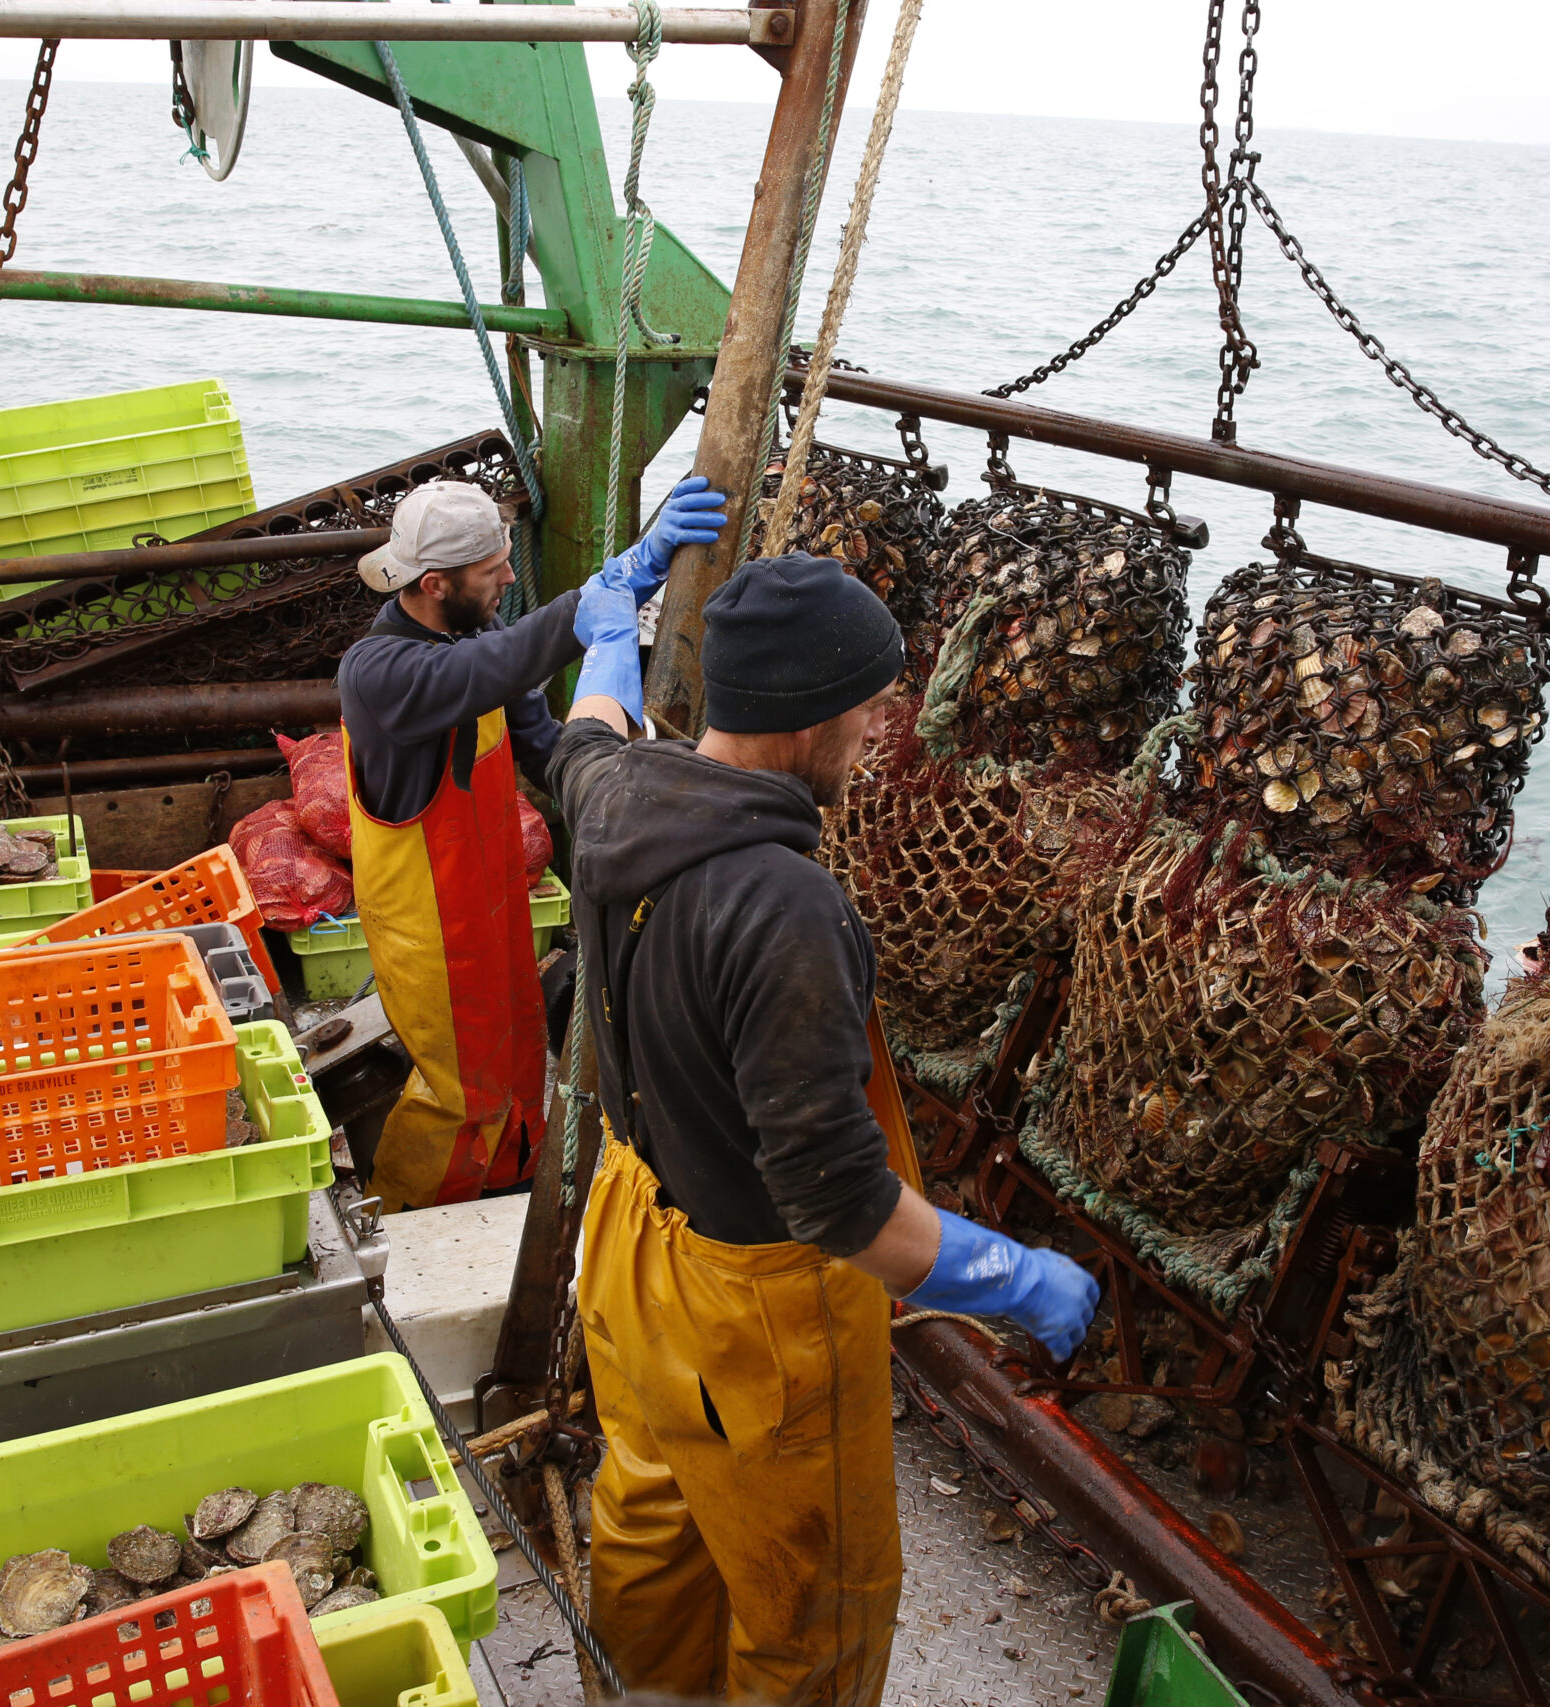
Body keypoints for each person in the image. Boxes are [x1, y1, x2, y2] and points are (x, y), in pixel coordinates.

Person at [548, 549, 1101, 1705]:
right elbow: (839, 1203)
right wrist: (1014, 1276)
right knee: (815, 1597)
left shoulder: (614, 792)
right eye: (870, 703)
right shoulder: (783, 906)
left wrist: (608, 629)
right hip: (755, 1314)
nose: (877, 728)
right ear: (807, 719)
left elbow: (585, 728)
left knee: (649, 1508)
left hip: (632, 1243)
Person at [336, 474, 725, 1210]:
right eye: (493, 572)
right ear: (434, 582)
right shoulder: (379, 672)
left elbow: (544, 742)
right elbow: (490, 667)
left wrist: (632, 797)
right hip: (428, 935)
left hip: (492, 909)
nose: (511, 577)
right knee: (460, 1093)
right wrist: (595, 599)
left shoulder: (473, 634)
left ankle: (508, 1181)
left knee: (516, 1061)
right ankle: (402, 1220)